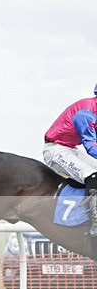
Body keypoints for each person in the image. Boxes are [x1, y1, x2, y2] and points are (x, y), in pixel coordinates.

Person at [42, 84, 97, 235]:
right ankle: (95, 225)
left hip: (72, 149)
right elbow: (91, 147)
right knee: (94, 176)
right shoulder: (86, 113)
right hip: (55, 149)